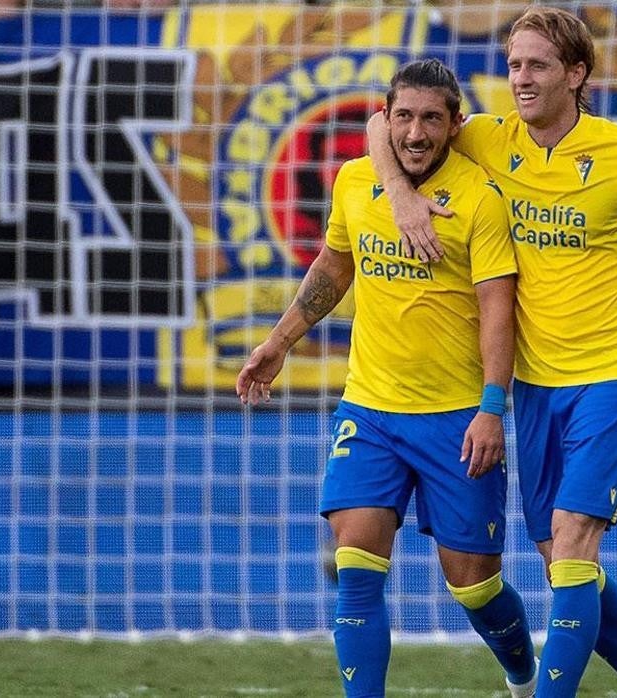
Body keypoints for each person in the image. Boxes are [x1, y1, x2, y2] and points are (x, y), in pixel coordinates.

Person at [366, 7, 617, 698]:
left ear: (577, 73)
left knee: (573, 539)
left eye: (536, 66)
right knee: (563, 560)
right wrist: (404, 200)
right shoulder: (490, 141)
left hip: (610, 377)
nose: (520, 79)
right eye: (512, 65)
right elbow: (385, 123)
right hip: (533, 387)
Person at [237, 58, 537, 698]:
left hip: (456, 419)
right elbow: (333, 267)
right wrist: (278, 342)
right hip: (369, 410)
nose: (415, 132)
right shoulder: (354, 182)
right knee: (356, 568)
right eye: (403, 116)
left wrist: (491, 407)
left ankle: (522, 673)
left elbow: (497, 311)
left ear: (456, 124)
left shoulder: (481, 200)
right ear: (387, 119)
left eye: (432, 117)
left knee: (475, 586)